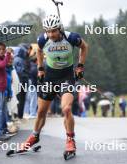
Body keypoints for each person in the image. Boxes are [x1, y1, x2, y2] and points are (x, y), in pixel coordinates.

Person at [20, 14, 88, 155]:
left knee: (67, 109)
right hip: (50, 78)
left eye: (54, 31)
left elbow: (84, 46)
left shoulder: (71, 37)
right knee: (41, 112)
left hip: (66, 77)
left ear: (59, 29)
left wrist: (80, 65)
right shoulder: (42, 39)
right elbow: (38, 50)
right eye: (48, 31)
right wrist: (40, 68)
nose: (51, 34)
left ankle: (70, 140)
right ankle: (34, 136)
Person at [13, 44, 32, 120]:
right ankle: (18, 115)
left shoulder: (23, 59)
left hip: (22, 81)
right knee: (20, 99)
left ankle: (19, 115)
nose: (29, 51)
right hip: (21, 82)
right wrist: (26, 73)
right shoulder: (18, 59)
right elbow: (20, 72)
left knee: (22, 99)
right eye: (28, 49)